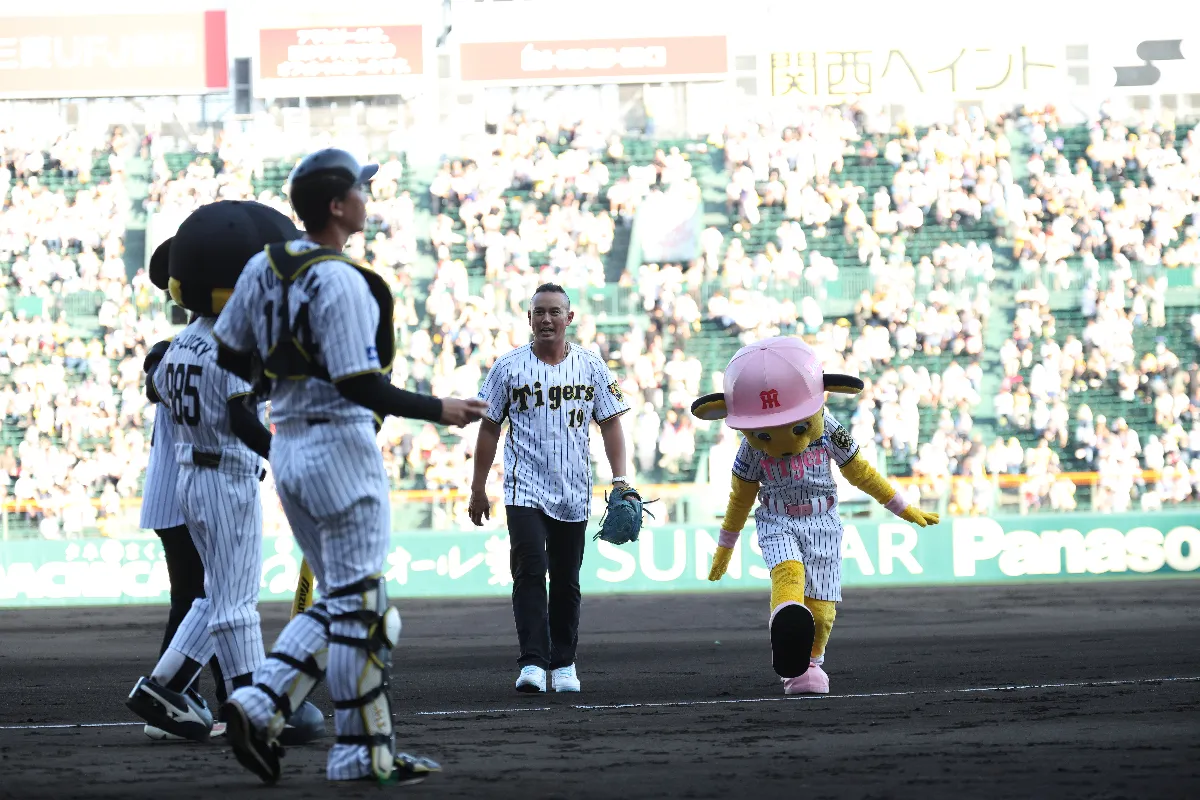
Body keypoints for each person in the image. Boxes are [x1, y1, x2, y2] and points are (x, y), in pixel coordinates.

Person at [212, 148, 487, 785]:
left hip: (288, 445)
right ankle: (282, 713)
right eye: (361, 189)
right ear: (337, 206)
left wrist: (277, 393)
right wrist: (440, 408)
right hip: (340, 447)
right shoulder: (342, 279)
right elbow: (362, 383)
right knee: (365, 612)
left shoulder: (263, 266)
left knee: (348, 602)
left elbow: (230, 357)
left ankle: (349, 743)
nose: (368, 197)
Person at [127, 202, 322, 746]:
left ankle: (163, 686)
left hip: (190, 473)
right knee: (236, 600)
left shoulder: (183, 341)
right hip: (225, 475)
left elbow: (161, 386)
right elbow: (239, 416)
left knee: (213, 596)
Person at [468, 283, 631, 694]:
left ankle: (564, 663)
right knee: (528, 570)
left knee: (566, 579)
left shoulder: (593, 367)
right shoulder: (507, 368)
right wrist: (478, 487)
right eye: (539, 311)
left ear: (569, 318)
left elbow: (611, 422)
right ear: (528, 318)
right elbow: (489, 428)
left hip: (574, 491)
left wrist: (620, 478)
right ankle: (533, 664)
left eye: (554, 312)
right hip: (523, 488)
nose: (546, 319)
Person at [135, 237, 227, 741]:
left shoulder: (182, 351)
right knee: (199, 600)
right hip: (183, 494)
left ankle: (205, 697)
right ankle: (173, 699)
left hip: (177, 495)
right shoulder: (172, 352)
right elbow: (155, 382)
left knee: (203, 599)